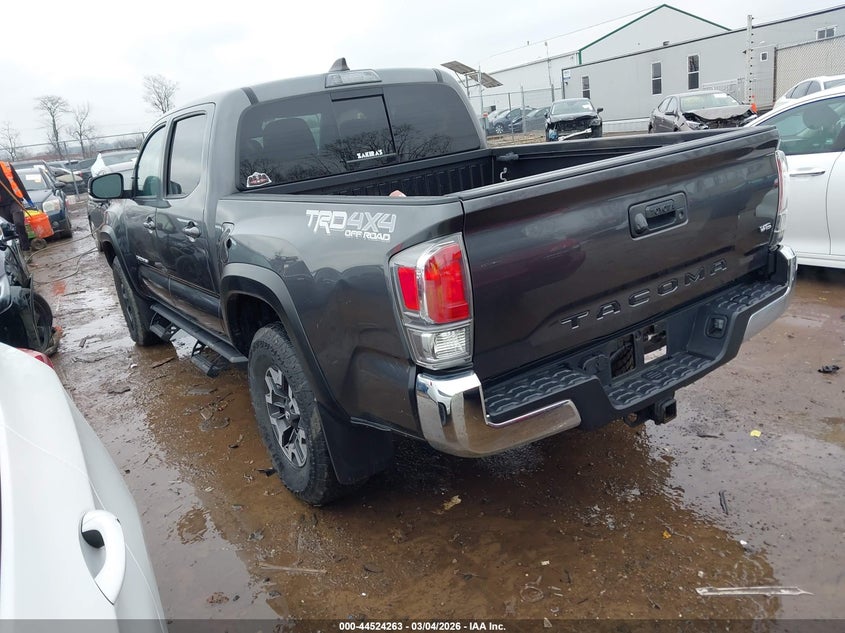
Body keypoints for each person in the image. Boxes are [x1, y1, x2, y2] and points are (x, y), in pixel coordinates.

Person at [0, 161, 34, 251]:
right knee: (7, 230)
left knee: (19, 223)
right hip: (1, 206)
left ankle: (26, 248)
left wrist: (28, 198)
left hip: (14, 201)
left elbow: (18, 182)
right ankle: (13, 251)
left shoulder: (6, 166)